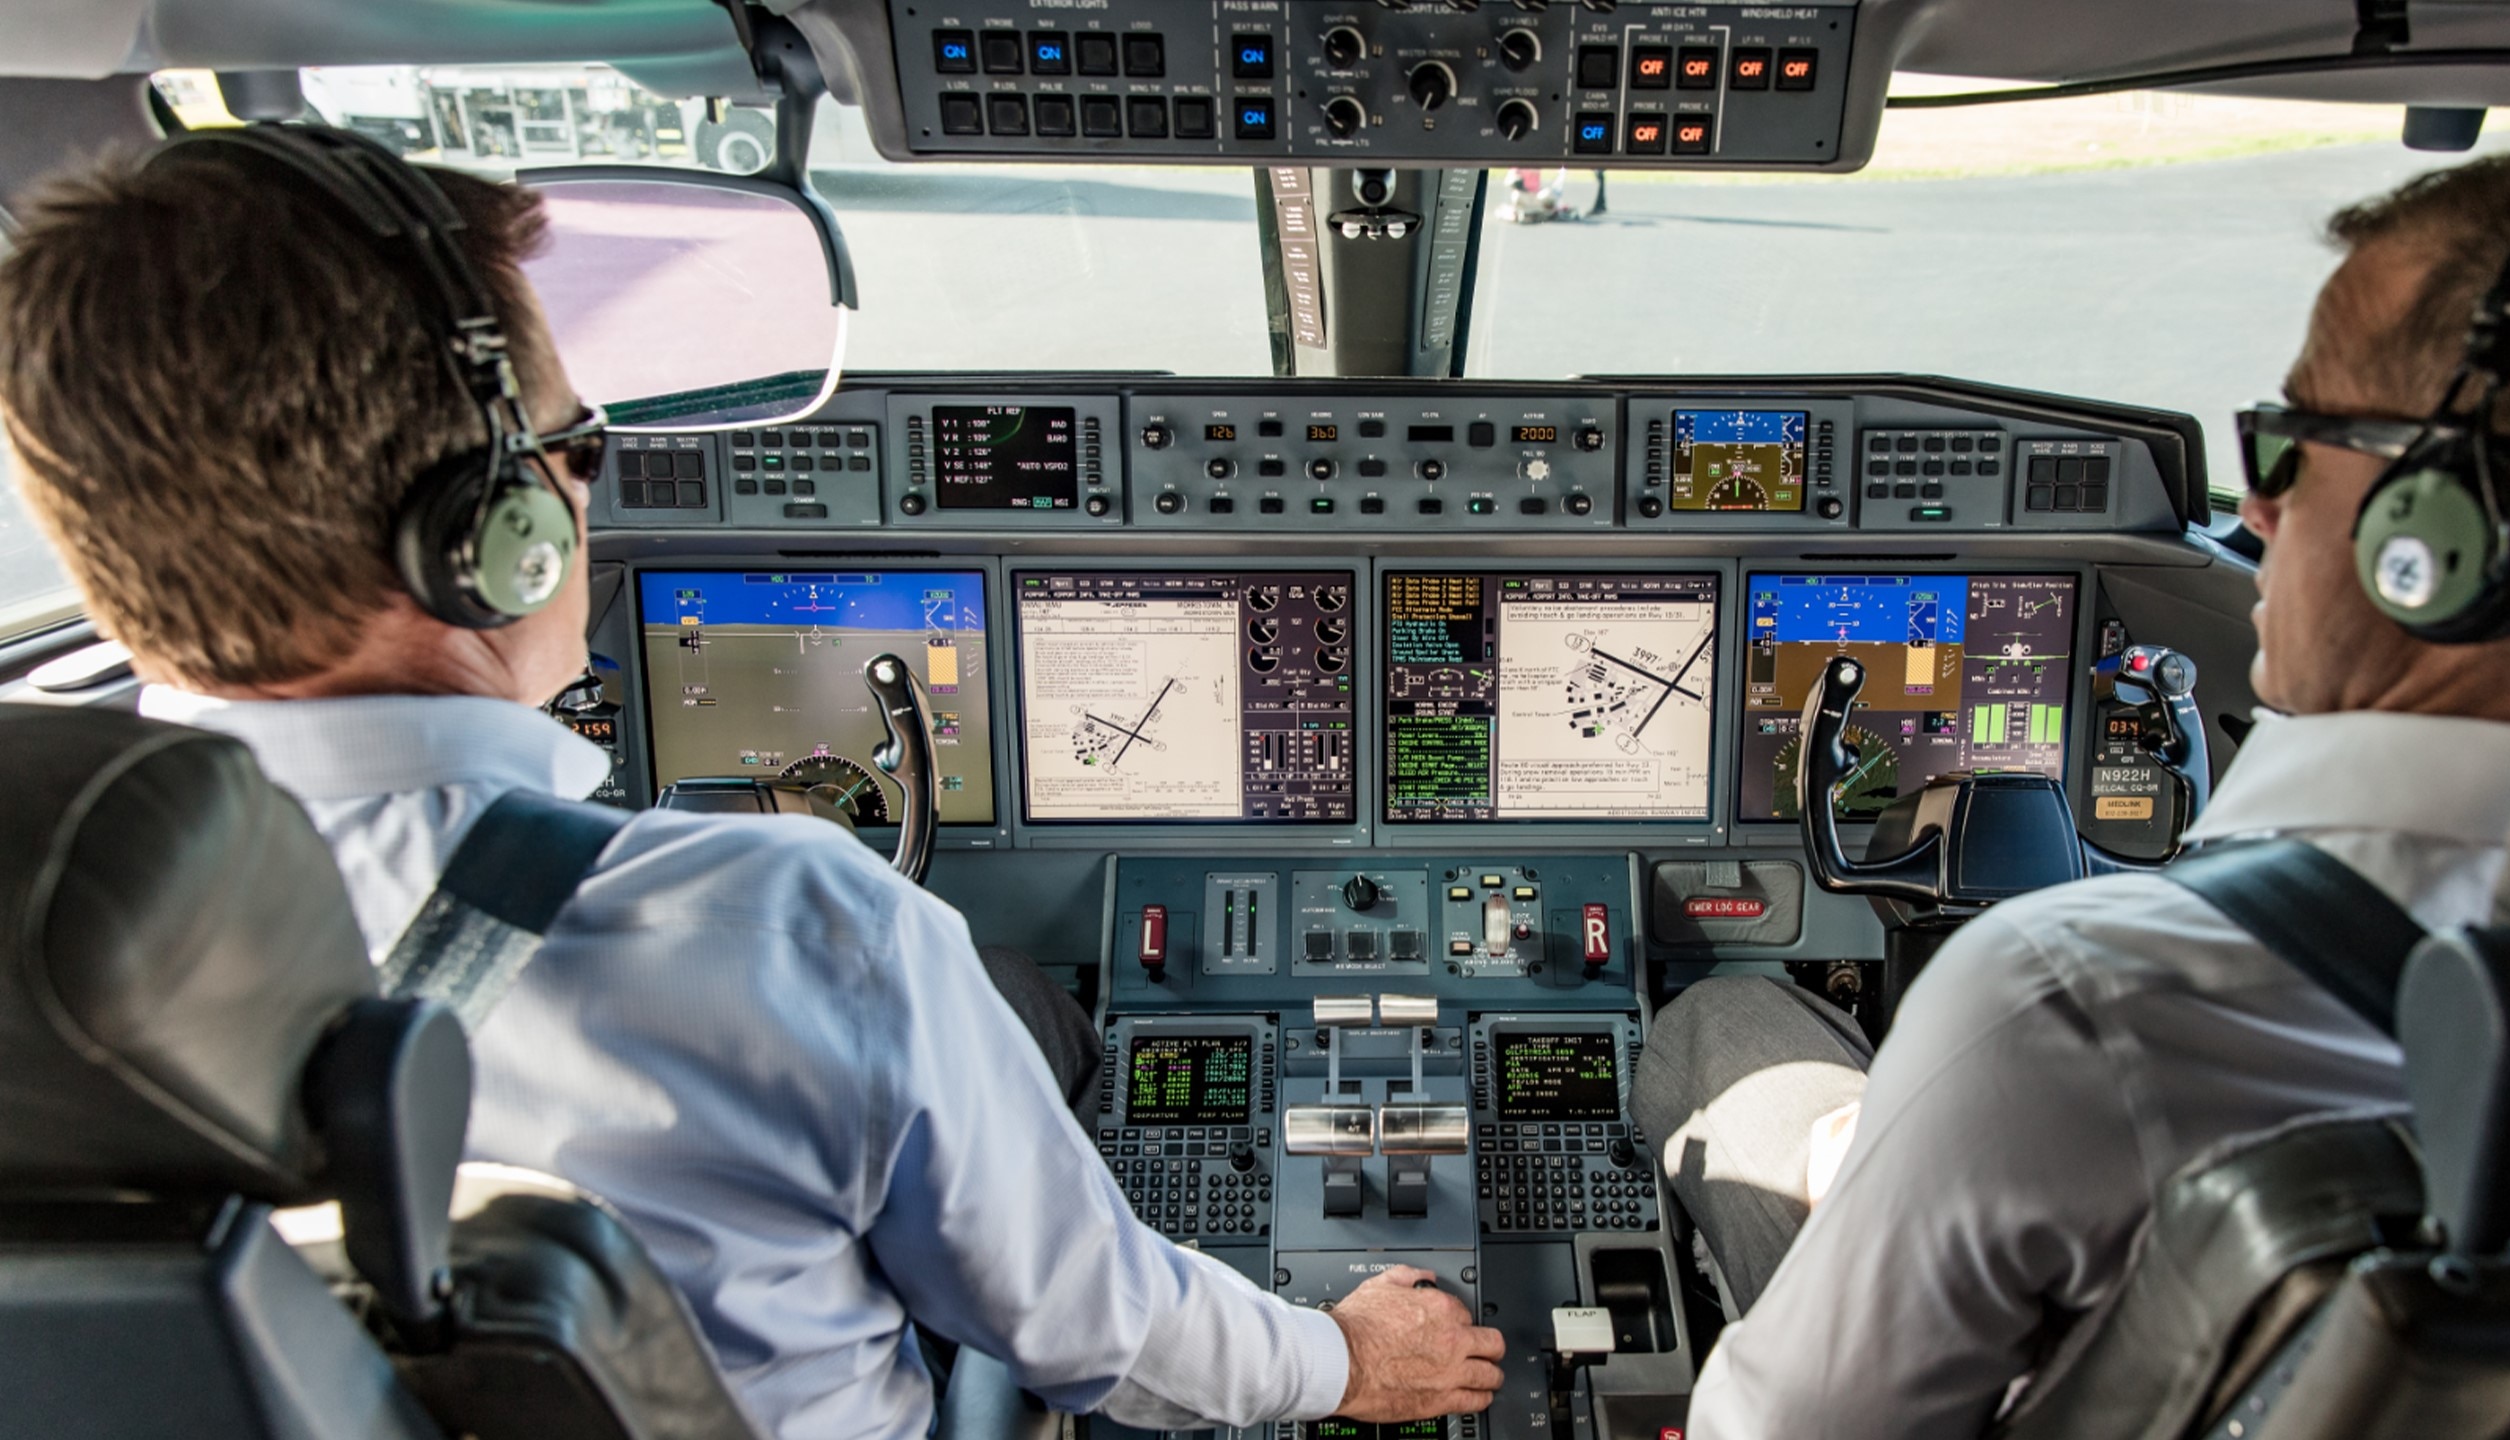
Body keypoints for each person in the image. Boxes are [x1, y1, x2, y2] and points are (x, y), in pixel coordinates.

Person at [0, 138, 1504, 1438]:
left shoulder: (40, 953)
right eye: (574, 448)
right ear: (493, 531)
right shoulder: (794, 930)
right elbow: (1093, 1325)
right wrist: (1342, 1355)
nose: (585, 493)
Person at [1633, 127, 2510, 1437]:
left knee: (1726, 1030)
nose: (2261, 507)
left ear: (2441, 538)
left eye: (2290, 440)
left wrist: (1923, 1139)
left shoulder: (2078, 1005)